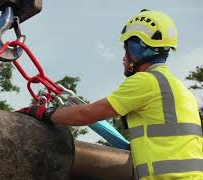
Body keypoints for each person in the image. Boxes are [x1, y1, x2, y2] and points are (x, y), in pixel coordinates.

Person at [17, 9, 203, 179]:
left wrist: (43, 113)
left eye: (126, 48)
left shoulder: (146, 81)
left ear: (136, 48)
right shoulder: (179, 89)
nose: (124, 57)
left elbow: (86, 114)